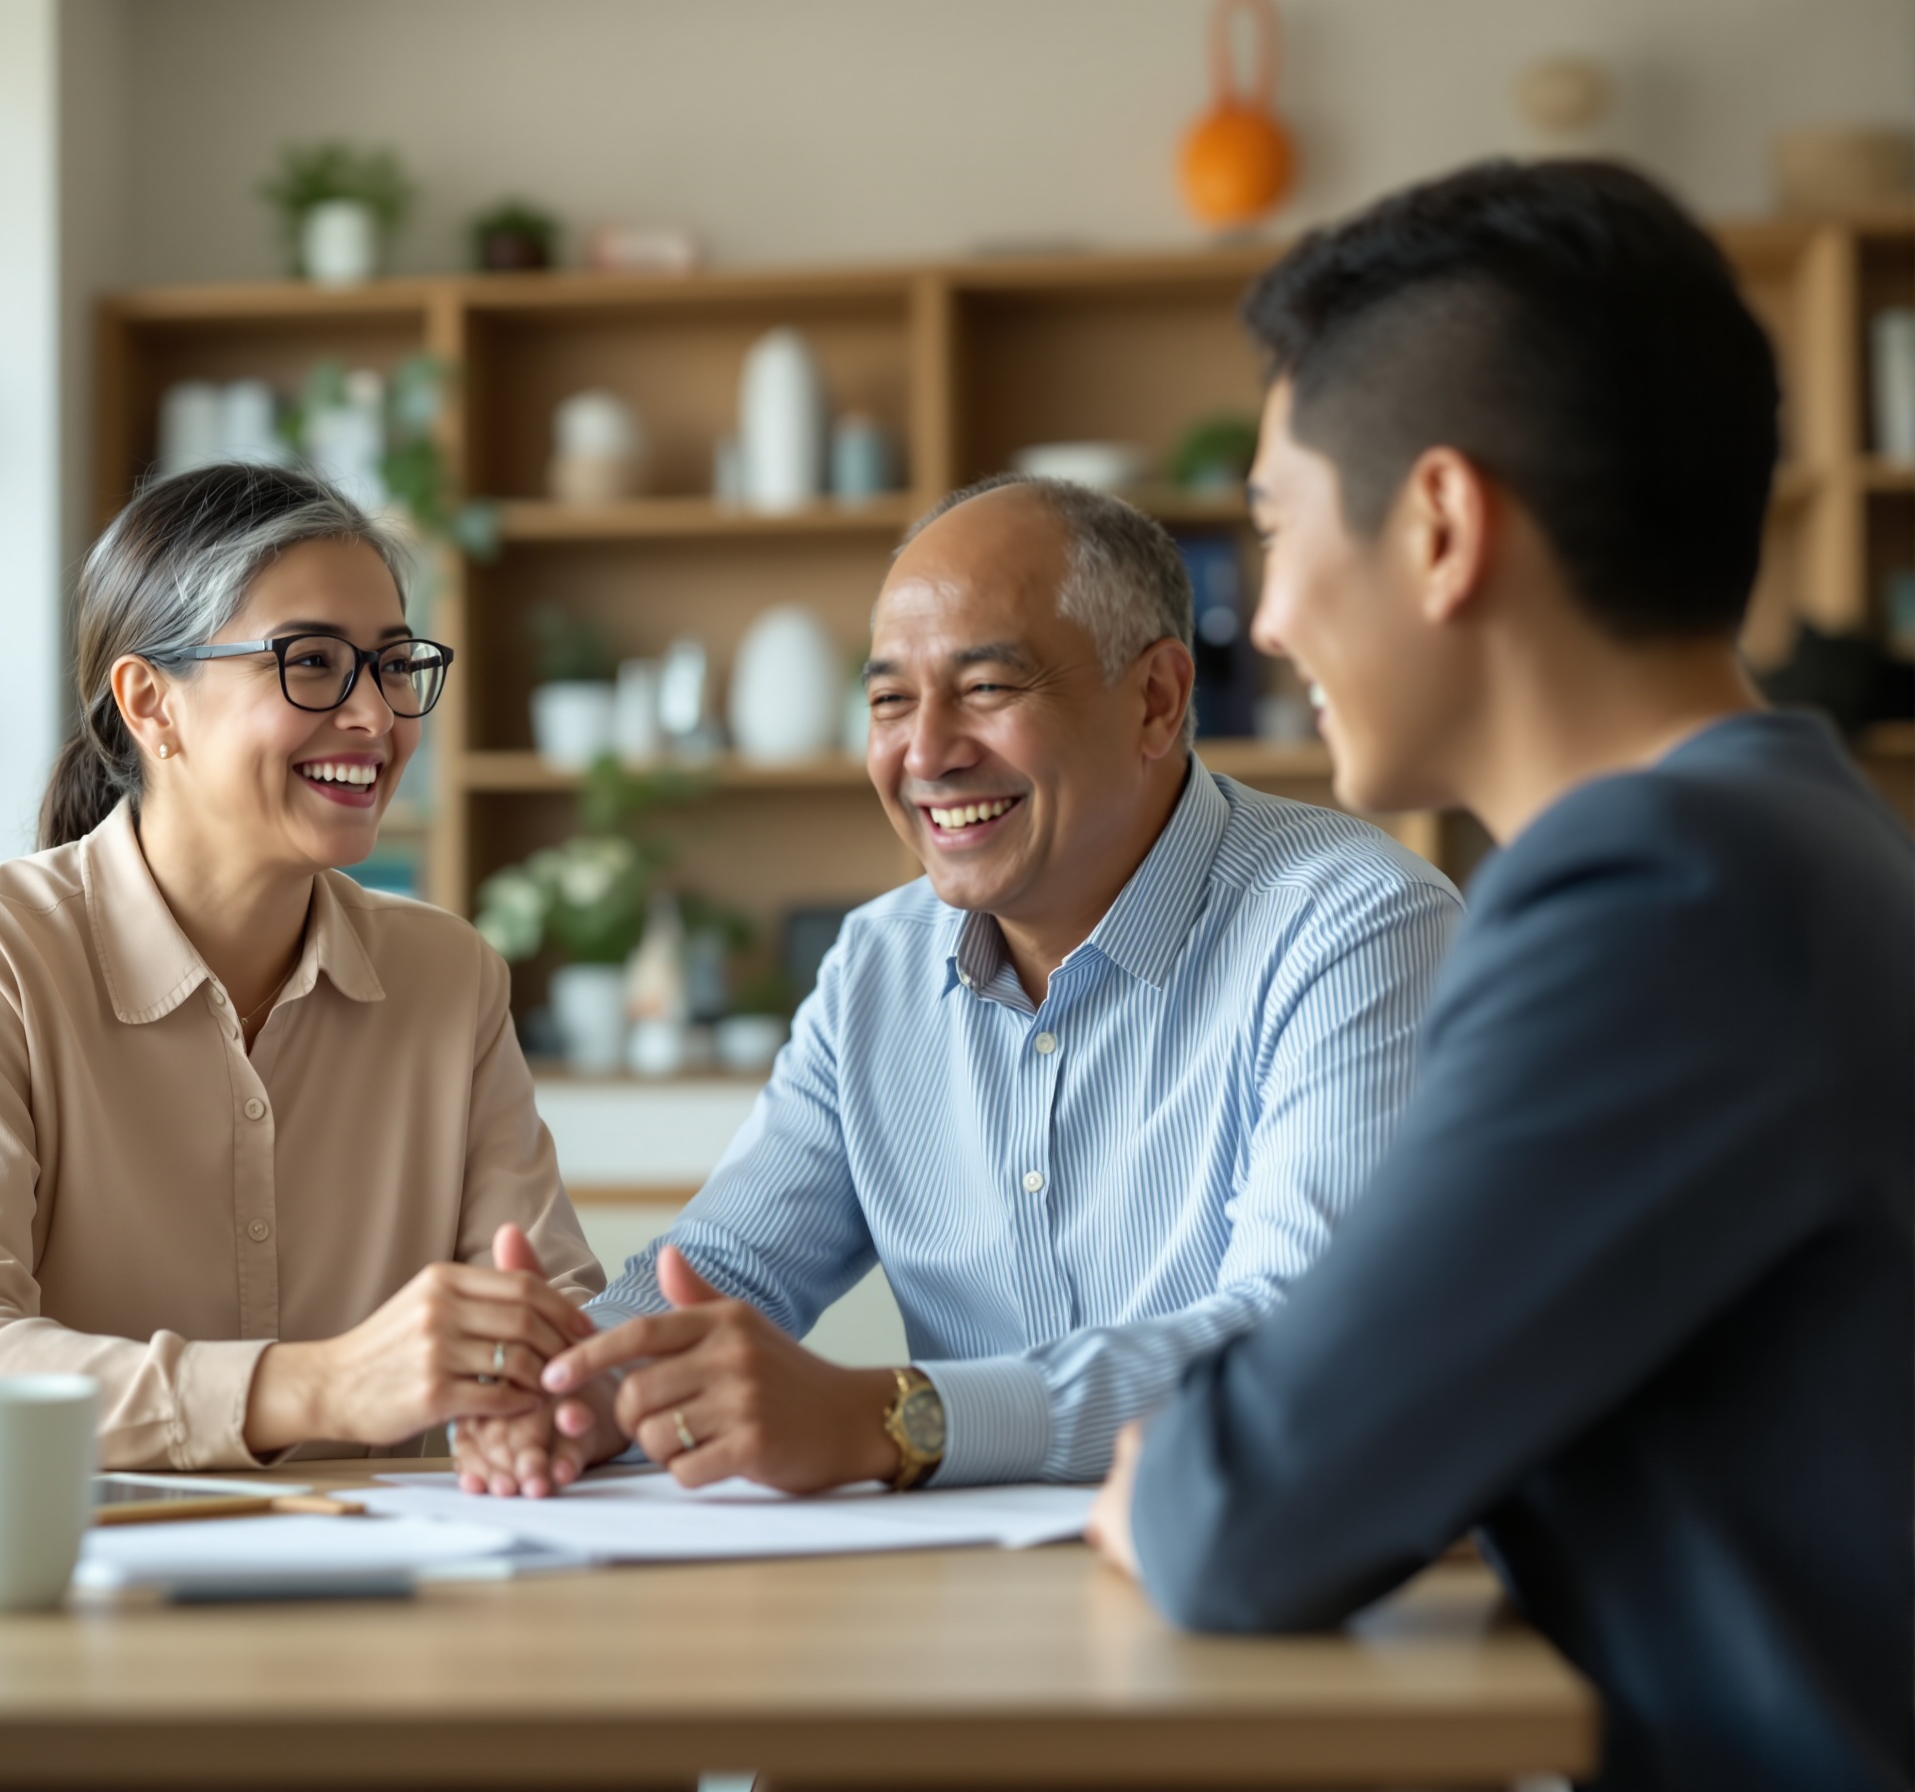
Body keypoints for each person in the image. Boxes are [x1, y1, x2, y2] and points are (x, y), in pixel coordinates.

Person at [1087, 161, 1913, 1792]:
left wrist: (1167, 1471)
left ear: (1442, 526)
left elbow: (1243, 1512)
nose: (1264, 616)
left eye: (1271, 527)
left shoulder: (1657, 896)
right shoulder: (1788, 835)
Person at [457, 473, 1463, 1498]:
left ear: (1156, 699)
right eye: (890, 700)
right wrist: (574, 1388)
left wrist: (894, 1417)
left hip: (1263, 1589)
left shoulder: (1355, 927)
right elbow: (728, 1266)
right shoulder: (877, 966)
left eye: (986, 689)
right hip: (962, 1601)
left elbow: (1301, 1340)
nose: (926, 752)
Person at [0, 465, 604, 1467]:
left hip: (356, 1585)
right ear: (151, 703)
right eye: (311, 662)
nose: (376, 717)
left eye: (395, 664)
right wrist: (316, 1384)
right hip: (0, 1583)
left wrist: (555, 1402)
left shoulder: (449, 979)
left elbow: (552, 1315)